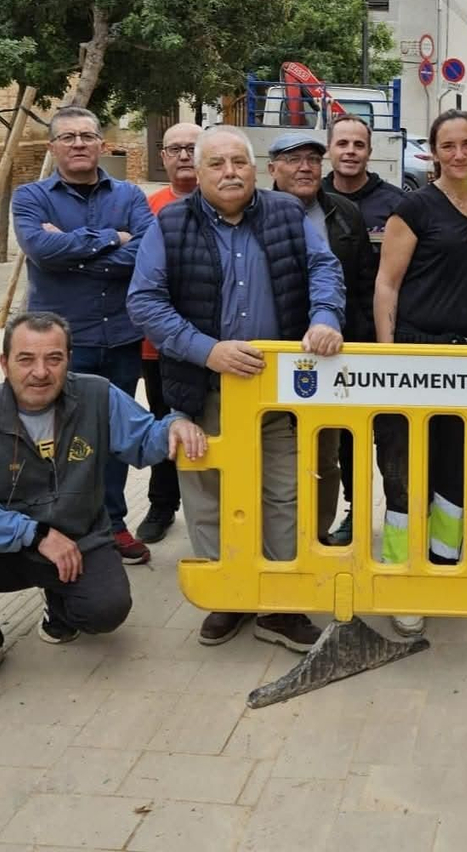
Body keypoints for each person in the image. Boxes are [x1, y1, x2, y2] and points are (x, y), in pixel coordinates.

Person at [126, 125, 345, 651]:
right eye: (216, 164)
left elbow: (324, 269)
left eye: (239, 162)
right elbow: (145, 302)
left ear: (255, 169)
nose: (229, 172)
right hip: (204, 390)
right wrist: (208, 349)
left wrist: (325, 316)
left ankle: (279, 606)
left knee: (284, 492)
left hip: (280, 394)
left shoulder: (287, 214)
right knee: (207, 498)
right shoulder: (171, 222)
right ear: (196, 173)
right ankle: (228, 595)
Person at [0, 311, 207, 704]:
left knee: (107, 611)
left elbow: (144, 440)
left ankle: (58, 606)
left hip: (79, 538)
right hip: (5, 545)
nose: (40, 372)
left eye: (53, 359)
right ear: (4, 363)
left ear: (68, 360)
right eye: (26, 359)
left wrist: (176, 424)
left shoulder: (97, 395)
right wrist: (37, 534)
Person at [373, 110, 467, 634]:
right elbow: (387, 285)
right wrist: (388, 356)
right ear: (434, 152)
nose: (458, 154)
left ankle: (444, 565)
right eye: (447, 145)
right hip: (415, 351)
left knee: (455, 466)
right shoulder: (415, 207)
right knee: (407, 471)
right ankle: (405, 579)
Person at [11, 106, 155, 565]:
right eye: (68, 137)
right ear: (52, 147)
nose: (78, 144)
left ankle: (113, 524)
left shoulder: (130, 195)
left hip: (122, 338)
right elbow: (40, 249)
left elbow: (147, 254)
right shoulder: (30, 197)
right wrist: (114, 237)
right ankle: (58, 529)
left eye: (87, 136)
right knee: (54, 438)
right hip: (58, 347)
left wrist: (73, 246)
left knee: (113, 435)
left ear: (100, 145)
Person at [268, 131, 378, 546]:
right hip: (271, 359)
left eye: (313, 159)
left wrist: (359, 342)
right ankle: (274, 545)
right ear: (272, 168)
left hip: (331, 358)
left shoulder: (344, 212)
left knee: (325, 458)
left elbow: (365, 282)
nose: (305, 167)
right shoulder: (254, 210)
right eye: (293, 159)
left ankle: (314, 538)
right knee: (272, 459)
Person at [135, 122, 200, 545]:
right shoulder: (149, 207)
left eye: (192, 148)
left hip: (214, 344)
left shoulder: (229, 202)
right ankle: (162, 504)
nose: (183, 156)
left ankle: (211, 510)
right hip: (157, 346)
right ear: (162, 157)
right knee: (165, 424)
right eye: (174, 148)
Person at [323, 113, 407, 236]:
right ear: (328, 150)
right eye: (342, 144)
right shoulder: (313, 198)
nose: (350, 151)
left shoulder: (398, 203)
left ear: (369, 152)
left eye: (359, 145)